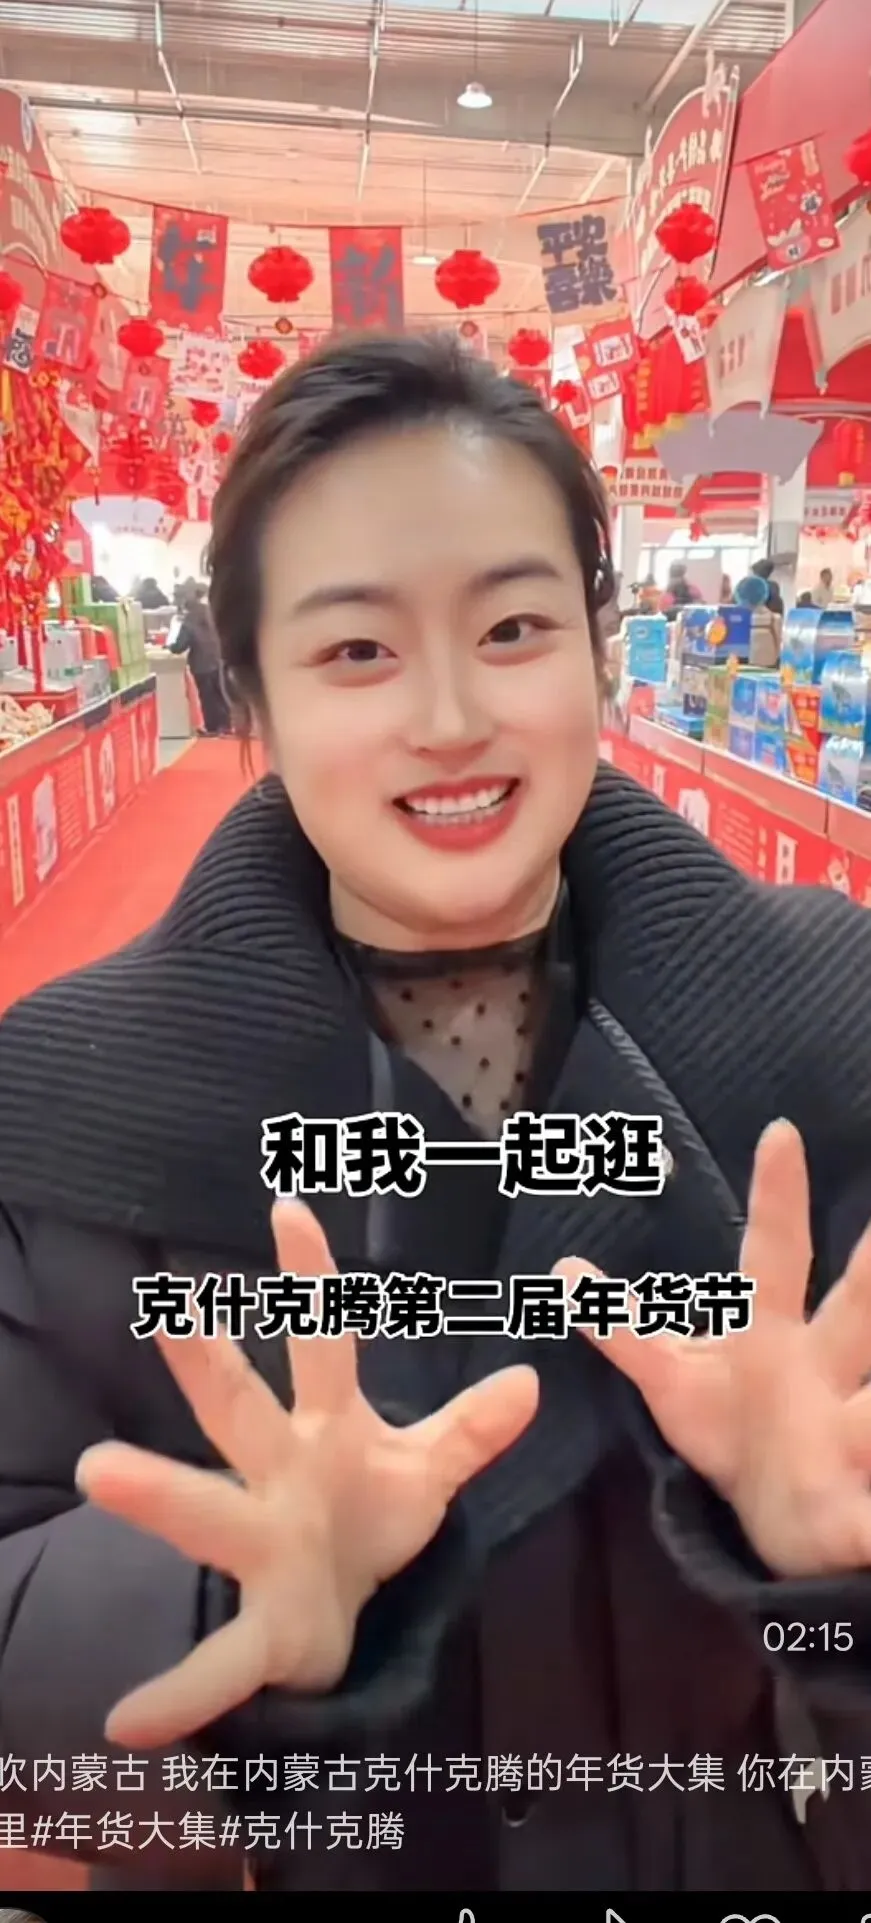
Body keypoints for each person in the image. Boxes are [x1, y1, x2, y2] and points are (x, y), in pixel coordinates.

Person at [1, 333, 871, 1897]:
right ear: (251, 690)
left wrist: (835, 1581)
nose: (453, 716)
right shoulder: (63, 1095)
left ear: (597, 646)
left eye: (513, 626)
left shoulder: (832, 1025)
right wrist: (211, 1606)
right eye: (356, 650)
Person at [168, 580, 231, 735]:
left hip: (201, 663)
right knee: (219, 694)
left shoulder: (189, 620)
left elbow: (180, 646)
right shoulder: (210, 612)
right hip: (217, 658)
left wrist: (171, 647)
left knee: (207, 697)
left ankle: (212, 727)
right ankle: (225, 725)